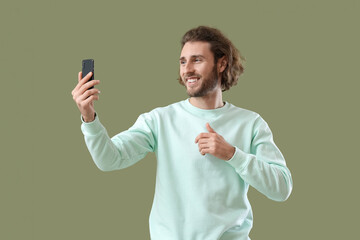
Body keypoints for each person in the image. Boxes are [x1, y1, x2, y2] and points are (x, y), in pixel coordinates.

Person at [71, 26, 293, 240]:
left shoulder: (251, 123)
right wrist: (89, 118)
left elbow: (282, 188)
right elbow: (109, 159)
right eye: (183, 61)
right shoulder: (159, 120)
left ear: (222, 63)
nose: (187, 70)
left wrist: (233, 154)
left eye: (197, 60)